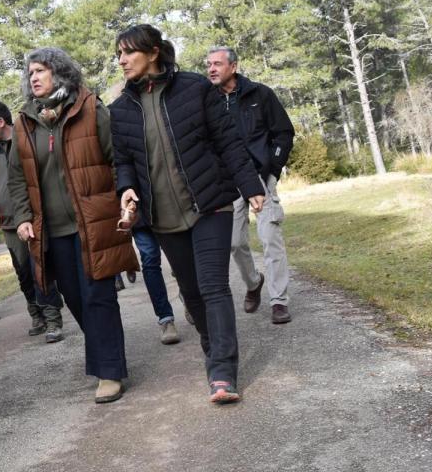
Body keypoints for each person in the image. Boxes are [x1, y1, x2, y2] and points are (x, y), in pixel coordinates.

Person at [108, 24, 264, 404]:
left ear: (153, 53)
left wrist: (251, 186)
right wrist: (126, 188)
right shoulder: (120, 110)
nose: (122, 60)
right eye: (119, 54)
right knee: (192, 293)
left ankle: (222, 372)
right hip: (163, 217)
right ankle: (213, 349)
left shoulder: (195, 88)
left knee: (213, 286)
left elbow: (228, 141)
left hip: (209, 204)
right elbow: (123, 161)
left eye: (129, 52)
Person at [8, 47, 140, 404]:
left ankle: (109, 371)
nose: (34, 77)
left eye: (41, 70)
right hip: (53, 232)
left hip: (94, 222)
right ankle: (107, 354)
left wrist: (124, 198)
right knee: (76, 299)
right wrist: (23, 217)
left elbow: (116, 159)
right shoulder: (24, 122)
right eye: (30, 73)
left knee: (98, 297)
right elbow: (17, 178)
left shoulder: (89, 107)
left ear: (60, 72)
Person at [207, 47, 296, 324]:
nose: (211, 69)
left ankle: (279, 301)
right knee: (234, 243)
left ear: (233, 66)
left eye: (217, 64)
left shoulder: (260, 94)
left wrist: (273, 170)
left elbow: (284, 133)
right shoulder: (207, 101)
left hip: (261, 177)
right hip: (230, 181)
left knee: (270, 238)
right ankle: (254, 282)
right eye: (208, 64)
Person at [0, 101, 65, 340]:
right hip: (8, 223)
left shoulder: (25, 139)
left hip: (33, 217)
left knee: (41, 268)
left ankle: (52, 319)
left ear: (0, 122)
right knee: (23, 272)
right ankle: (36, 314)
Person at [131, 226, 181, 344]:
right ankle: (166, 319)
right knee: (150, 261)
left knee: (179, 255)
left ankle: (189, 297)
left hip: (169, 217)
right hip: (140, 221)